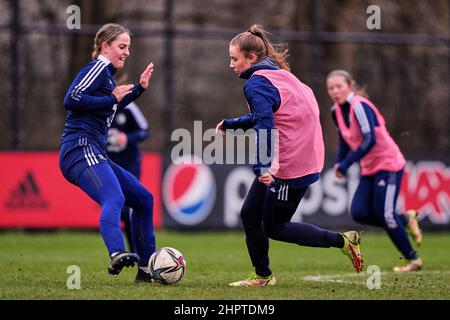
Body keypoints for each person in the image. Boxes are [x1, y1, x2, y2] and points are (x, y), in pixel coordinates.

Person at [216, 25, 364, 287]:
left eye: (234, 58)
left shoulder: (257, 83)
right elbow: (270, 115)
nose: (230, 64)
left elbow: (265, 126)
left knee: (274, 227)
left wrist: (263, 167)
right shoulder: (280, 75)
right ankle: (263, 275)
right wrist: (233, 123)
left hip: (290, 164)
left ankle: (343, 241)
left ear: (251, 58)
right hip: (300, 155)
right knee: (250, 214)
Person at [59, 23, 155, 283]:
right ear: (105, 46)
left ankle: (146, 270)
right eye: (122, 46)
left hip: (95, 151)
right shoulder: (97, 68)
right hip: (79, 148)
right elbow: (72, 99)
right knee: (114, 196)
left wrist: (139, 89)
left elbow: (107, 104)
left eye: (128, 48)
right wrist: (112, 98)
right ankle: (116, 252)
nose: (126, 52)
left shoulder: (108, 76)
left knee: (144, 199)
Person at [326, 69, 423, 273]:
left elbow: (370, 139)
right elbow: (345, 139)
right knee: (359, 212)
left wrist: (347, 164)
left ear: (350, 87)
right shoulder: (336, 110)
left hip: (388, 163)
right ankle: (405, 219)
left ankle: (413, 259)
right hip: (369, 167)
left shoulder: (359, 105)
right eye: (331, 88)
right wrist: (339, 162)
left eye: (339, 86)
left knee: (386, 215)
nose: (335, 91)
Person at [107, 100, 150, 253]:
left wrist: (127, 138)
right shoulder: (99, 106)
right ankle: (119, 251)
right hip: (106, 165)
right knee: (115, 206)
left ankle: (134, 251)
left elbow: (144, 131)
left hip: (129, 164)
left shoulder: (129, 107)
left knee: (128, 208)